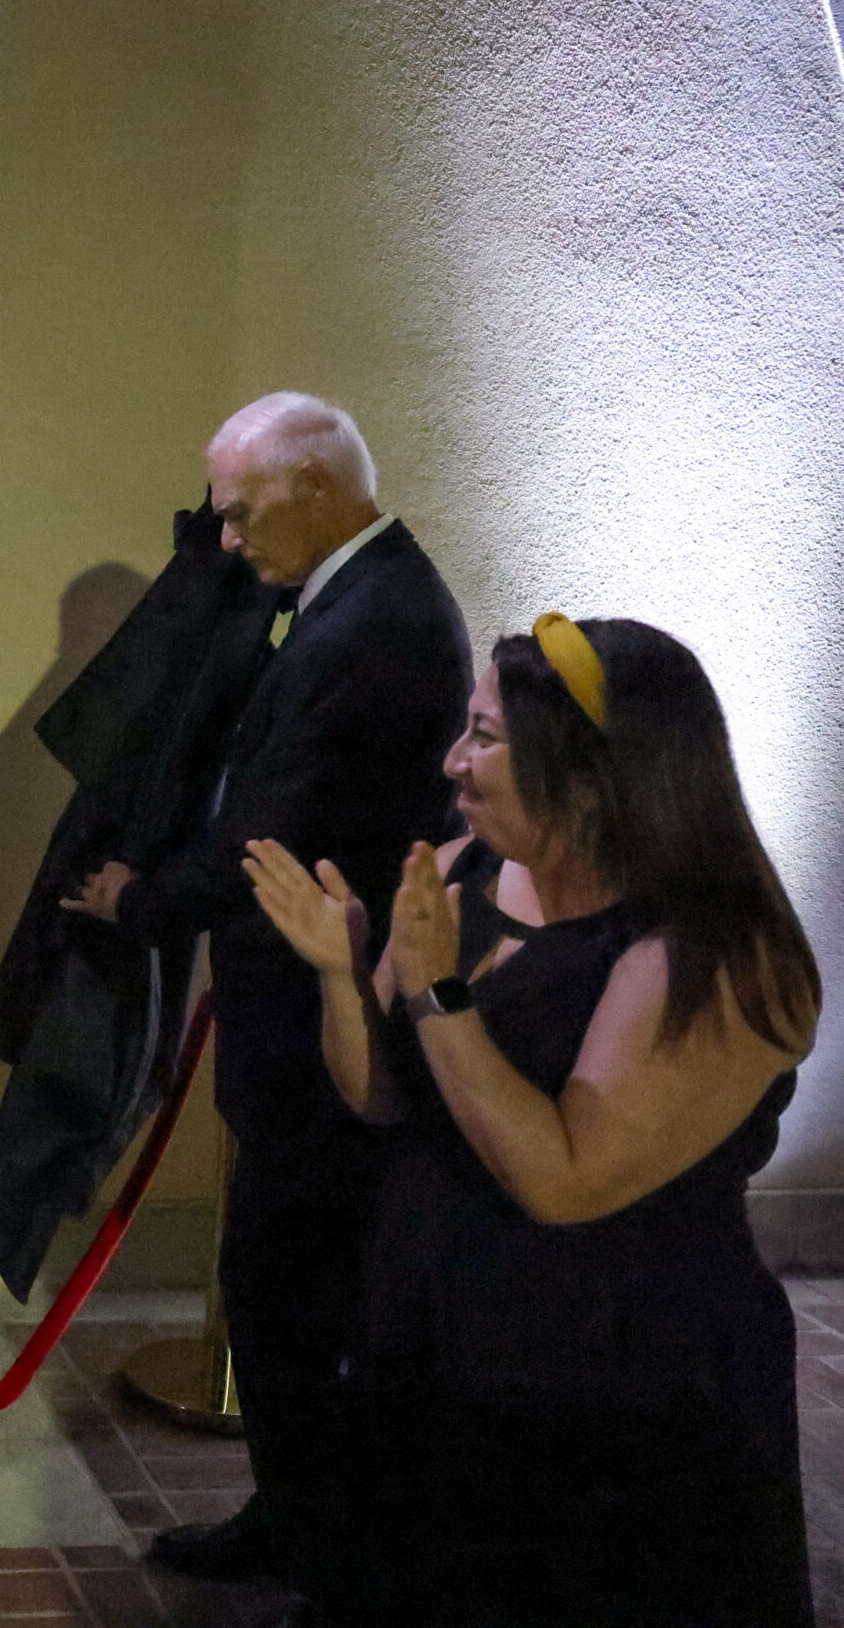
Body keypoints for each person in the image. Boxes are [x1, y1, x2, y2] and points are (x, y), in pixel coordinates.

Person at [244, 615, 817, 1626]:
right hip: (437, 1355)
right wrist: (343, 973)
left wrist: (437, 993)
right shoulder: (463, 869)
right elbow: (382, 1099)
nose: (451, 762)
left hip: (614, 1393)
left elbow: (563, 1180)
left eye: (485, 737)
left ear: (594, 772)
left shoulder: (716, 953)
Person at [63, 393, 470, 1622]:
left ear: (312, 482)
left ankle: (334, 1569)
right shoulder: (355, 599)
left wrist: (139, 897)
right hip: (298, 1008)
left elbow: (267, 825)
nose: (227, 541)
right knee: (281, 1290)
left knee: (297, 1297)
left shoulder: (376, 624)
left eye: (240, 513)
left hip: (324, 1021)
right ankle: (290, 1520)